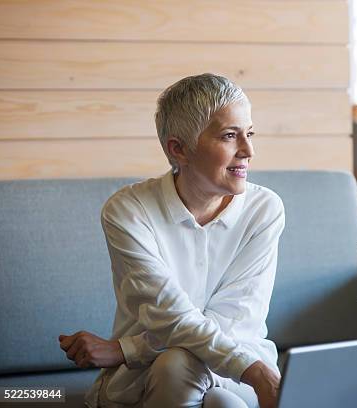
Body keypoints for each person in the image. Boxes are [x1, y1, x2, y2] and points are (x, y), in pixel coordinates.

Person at [58, 74, 284, 408]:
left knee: (219, 396)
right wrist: (255, 373)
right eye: (229, 136)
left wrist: (126, 348)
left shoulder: (264, 209)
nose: (248, 150)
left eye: (249, 133)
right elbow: (171, 316)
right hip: (149, 377)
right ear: (179, 149)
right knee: (180, 368)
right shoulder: (128, 212)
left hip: (237, 366)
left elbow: (234, 320)